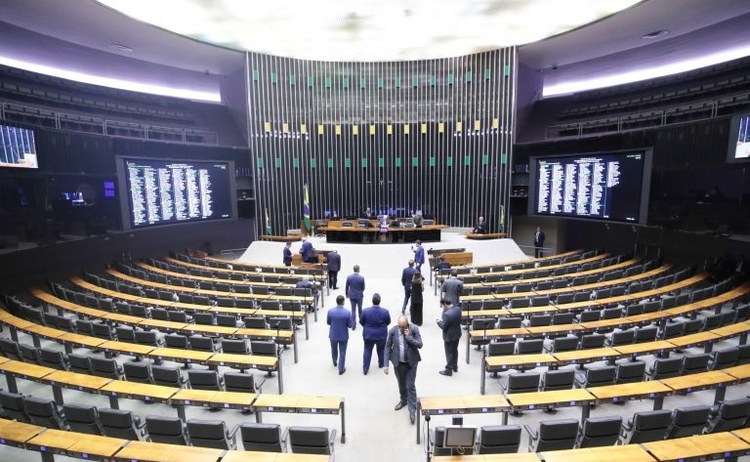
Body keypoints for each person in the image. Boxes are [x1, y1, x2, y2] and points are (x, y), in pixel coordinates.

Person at [384, 315, 423, 425]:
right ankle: (403, 400)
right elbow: (387, 347)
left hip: (411, 363)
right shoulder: (393, 331)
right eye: (400, 327)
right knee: (401, 384)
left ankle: (412, 411)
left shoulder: (414, 329)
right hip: (398, 363)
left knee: (410, 385)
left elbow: (420, 344)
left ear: (407, 325)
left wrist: (409, 338)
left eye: (403, 327)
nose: (401, 329)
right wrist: (386, 364)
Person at [359, 293, 391, 375]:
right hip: (381, 335)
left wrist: (367, 327)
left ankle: (365, 369)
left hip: (368, 334)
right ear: (380, 301)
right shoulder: (385, 311)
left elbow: (361, 322)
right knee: (381, 349)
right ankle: (381, 364)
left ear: (372, 301)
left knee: (367, 350)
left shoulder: (365, 311)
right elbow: (388, 322)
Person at [327, 295, 354, 375]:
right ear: (343, 302)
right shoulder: (347, 312)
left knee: (333, 349)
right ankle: (341, 368)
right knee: (342, 351)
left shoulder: (330, 311)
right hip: (343, 335)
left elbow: (328, 322)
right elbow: (350, 325)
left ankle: (334, 361)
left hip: (333, 334)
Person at [436, 298, 462, 376]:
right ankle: (455, 366)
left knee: (449, 352)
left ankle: (449, 370)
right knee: (455, 350)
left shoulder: (446, 314)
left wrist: (438, 322)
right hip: (457, 333)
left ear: (444, 304)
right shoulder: (458, 309)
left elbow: (444, 326)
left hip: (449, 336)